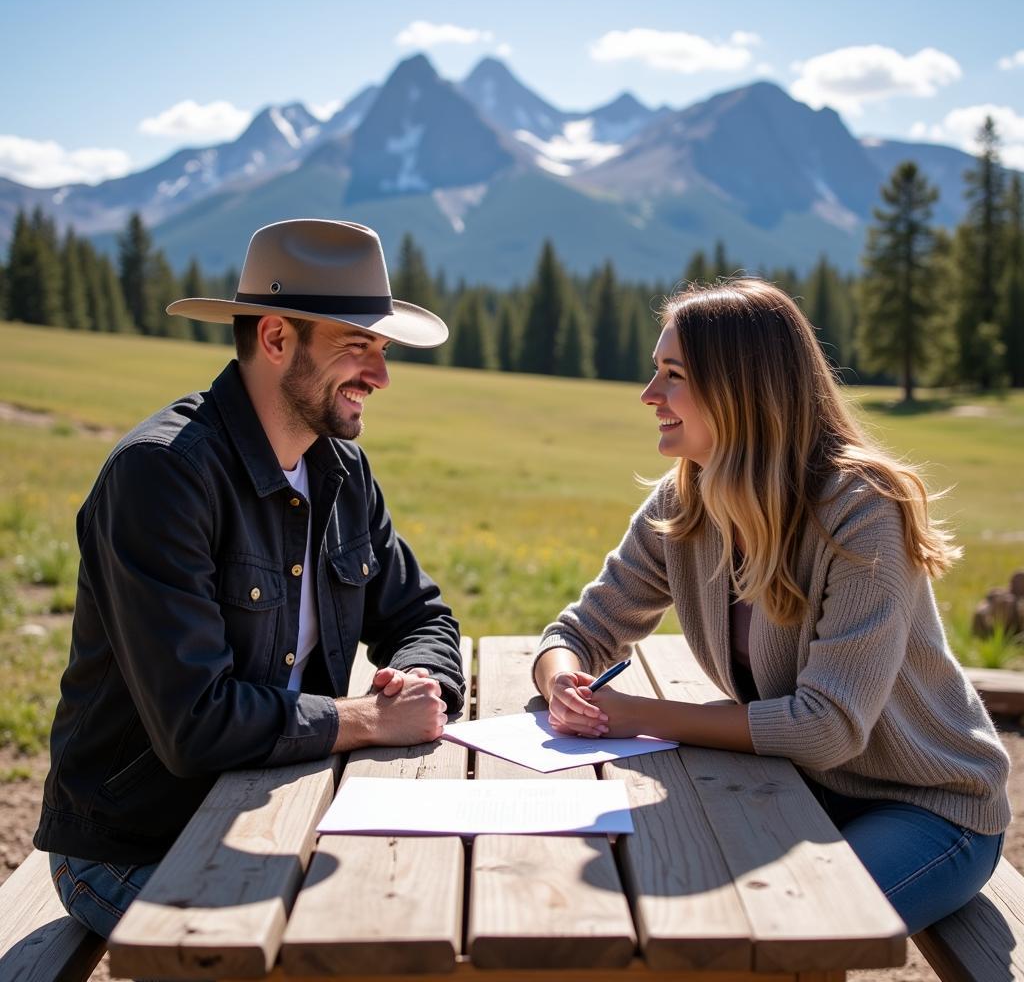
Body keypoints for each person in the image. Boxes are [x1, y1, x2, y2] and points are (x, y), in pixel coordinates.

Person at [533, 278, 1010, 935]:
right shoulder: (685, 502)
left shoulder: (863, 508)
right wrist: (564, 682)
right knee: (658, 886)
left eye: (673, 375)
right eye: (655, 373)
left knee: (786, 926)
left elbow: (827, 726)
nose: (650, 396)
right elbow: (579, 629)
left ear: (740, 387)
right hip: (798, 783)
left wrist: (631, 714)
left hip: (927, 805)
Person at [37, 218, 465, 939]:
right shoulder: (164, 475)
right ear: (274, 339)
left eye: (382, 350)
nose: (381, 376)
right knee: (345, 944)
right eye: (357, 347)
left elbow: (424, 617)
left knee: (427, 910)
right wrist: (363, 719)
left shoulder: (342, 469)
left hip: (281, 803)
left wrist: (418, 681)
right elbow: (194, 725)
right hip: (138, 845)